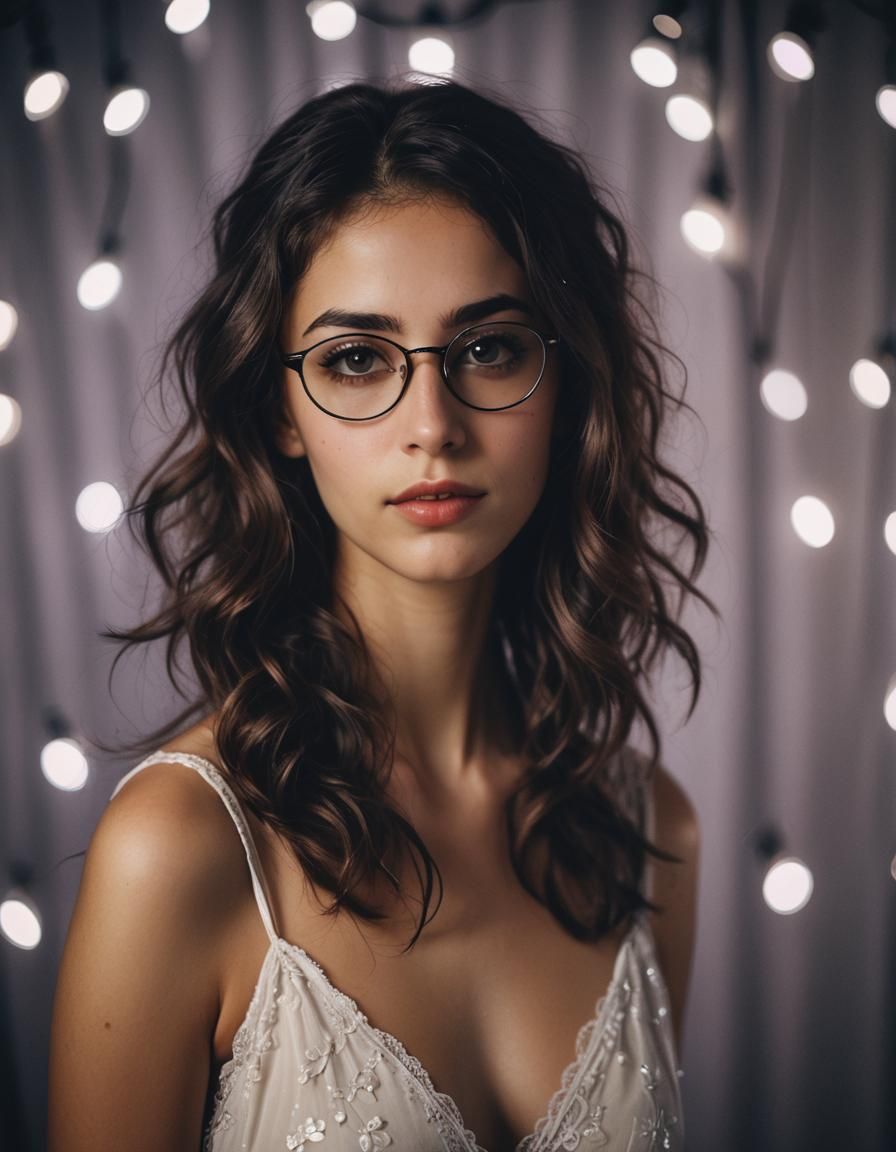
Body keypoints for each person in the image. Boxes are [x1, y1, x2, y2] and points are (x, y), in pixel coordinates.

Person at [49, 75, 715, 1152]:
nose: (432, 425)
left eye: (489, 346)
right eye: (356, 361)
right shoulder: (180, 850)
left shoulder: (645, 832)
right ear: (279, 412)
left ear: (565, 378)